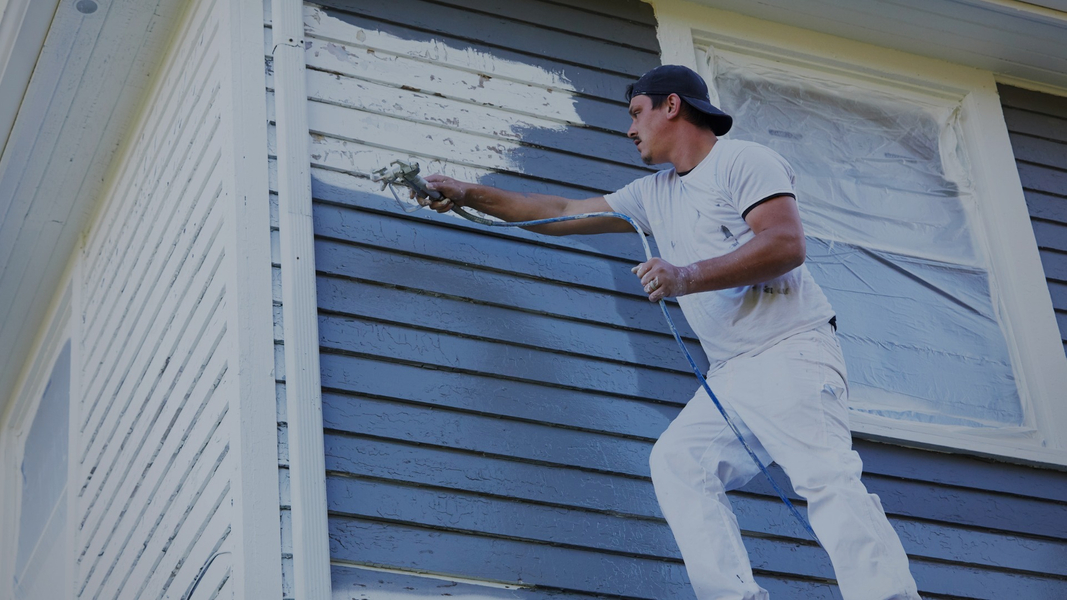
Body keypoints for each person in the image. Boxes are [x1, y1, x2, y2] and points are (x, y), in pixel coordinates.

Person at [415, 64, 921, 600]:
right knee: (680, 461)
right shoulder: (652, 195)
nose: (630, 129)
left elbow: (785, 244)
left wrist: (685, 275)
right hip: (732, 373)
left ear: (671, 105)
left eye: (637, 114)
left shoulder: (742, 161)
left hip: (791, 349)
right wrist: (468, 193)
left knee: (823, 475)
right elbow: (560, 211)